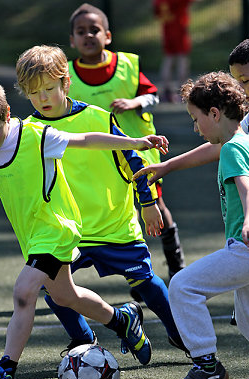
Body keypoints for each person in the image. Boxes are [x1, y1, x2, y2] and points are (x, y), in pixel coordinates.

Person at [0, 45, 186, 365]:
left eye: (49, 89)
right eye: (34, 93)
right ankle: (83, 340)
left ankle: (180, 333)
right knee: (54, 290)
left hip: (113, 223)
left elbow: (133, 161)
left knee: (145, 281)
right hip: (68, 229)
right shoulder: (26, 132)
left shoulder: (95, 118)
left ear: (65, 84)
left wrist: (147, 203)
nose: (43, 98)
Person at [134, 71, 249, 379]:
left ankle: (206, 365)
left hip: (246, 247)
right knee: (248, 321)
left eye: (196, 119)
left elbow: (246, 186)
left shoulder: (232, 150)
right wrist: (167, 167)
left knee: (184, 286)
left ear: (215, 114)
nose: (196, 128)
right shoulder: (246, 141)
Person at [68, 2, 185, 280]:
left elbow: (153, 94)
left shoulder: (127, 66)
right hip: (97, 160)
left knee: (156, 204)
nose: (88, 36)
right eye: (81, 31)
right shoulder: (67, 76)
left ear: (107, 36)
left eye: (94, 30)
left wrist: (135, 101)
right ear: (72, 40)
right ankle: (137, 271)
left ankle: (176, 263)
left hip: (138, 152)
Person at [153, 0, 194, 103]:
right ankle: (182, 91)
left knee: (168, 59)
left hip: (167, 31)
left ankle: (166, 91)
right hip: (179, 30)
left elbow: (157, 13)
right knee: (182, 59)